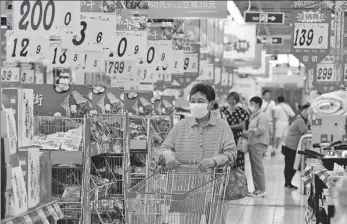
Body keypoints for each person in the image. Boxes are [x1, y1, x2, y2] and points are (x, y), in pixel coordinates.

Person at [161, 83, 237, 224]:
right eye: (192, 101)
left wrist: (214, 161)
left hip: (216, 187)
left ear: (211, 104)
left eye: (200, 101)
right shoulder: (181, 126)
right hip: (188, 187)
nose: (195, 105)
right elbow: (165, 146)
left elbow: (231, 152)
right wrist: (167, 154)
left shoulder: (222, 126)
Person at [282, 104, 311, 190]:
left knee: (291, 165)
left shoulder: (302, 119)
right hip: (290, 146)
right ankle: (288, 183)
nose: (310, 114)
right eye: (309, 111)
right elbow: (305, 132)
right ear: (304, 110)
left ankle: (288, 183)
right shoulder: (300, 120)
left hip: (290, 145)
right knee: (291, 165)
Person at [244, 96, 269, 197]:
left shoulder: (261, 116)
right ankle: (257, 189)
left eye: (252, 104)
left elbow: (261, 129)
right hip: (252, 142)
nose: (251, 106)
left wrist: (250, 131)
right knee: (254, 168)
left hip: (258, 143)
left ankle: (262, 190)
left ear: (258, 104)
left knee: (258, 167)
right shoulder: (254, 115)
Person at [220, 92, 250, 171]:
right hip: (226, 139)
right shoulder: (223, 110)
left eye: (233, 99)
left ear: (237, 100)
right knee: (227, 159)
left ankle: (240, 182)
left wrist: (228, 126)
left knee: (239, 160)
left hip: (238, 139)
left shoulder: (241, 110)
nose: (231, 101)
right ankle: (229, 182)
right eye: (229, 99)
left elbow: (241, 125)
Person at [261, 90, 276, 156]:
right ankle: (264, 150)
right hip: (262, 122)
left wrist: (274, 122)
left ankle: (272, 150)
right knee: (263, 136)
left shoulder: (272, 102)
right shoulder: (261, 102)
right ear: (263, 95)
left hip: (270, 122)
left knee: (271, 137)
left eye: (269, 95)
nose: (268, 96)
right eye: (267, 95)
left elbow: (273, 113)